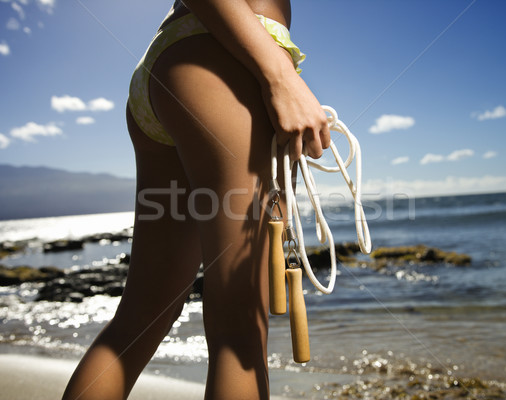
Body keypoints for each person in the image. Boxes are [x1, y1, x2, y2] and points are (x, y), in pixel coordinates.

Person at [62, 0, 330, 399]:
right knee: (240, 331)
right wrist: (278, 75)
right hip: (231, 55)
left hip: (171, 62)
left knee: (137, 321)